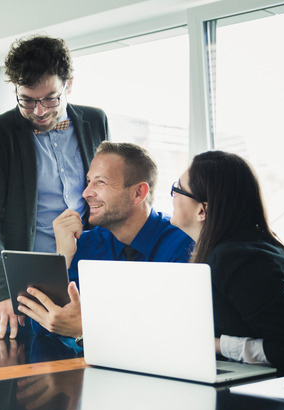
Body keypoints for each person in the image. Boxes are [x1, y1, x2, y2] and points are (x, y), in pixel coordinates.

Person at [0, 34, 109, 339]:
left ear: (68, 84)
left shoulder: (96, 120)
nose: (39, 111)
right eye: (26, 101)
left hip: (89, 277)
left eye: (50, 99)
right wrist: (1, 291)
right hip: (20, 285)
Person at [170, 150, 284, 374]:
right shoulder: (237, 249)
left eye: (178, 188)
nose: (172, 195)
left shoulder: (237, 259)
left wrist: (216, 344)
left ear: (203, 210)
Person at [16, 142, 193, 340]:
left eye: (100, 183)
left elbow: (172, 333)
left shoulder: (183, 245)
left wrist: (86, 330)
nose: (86, 193)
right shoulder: (84, 244)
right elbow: (43, 326)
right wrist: (62, 256)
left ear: (138, 193)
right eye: (89, 181)